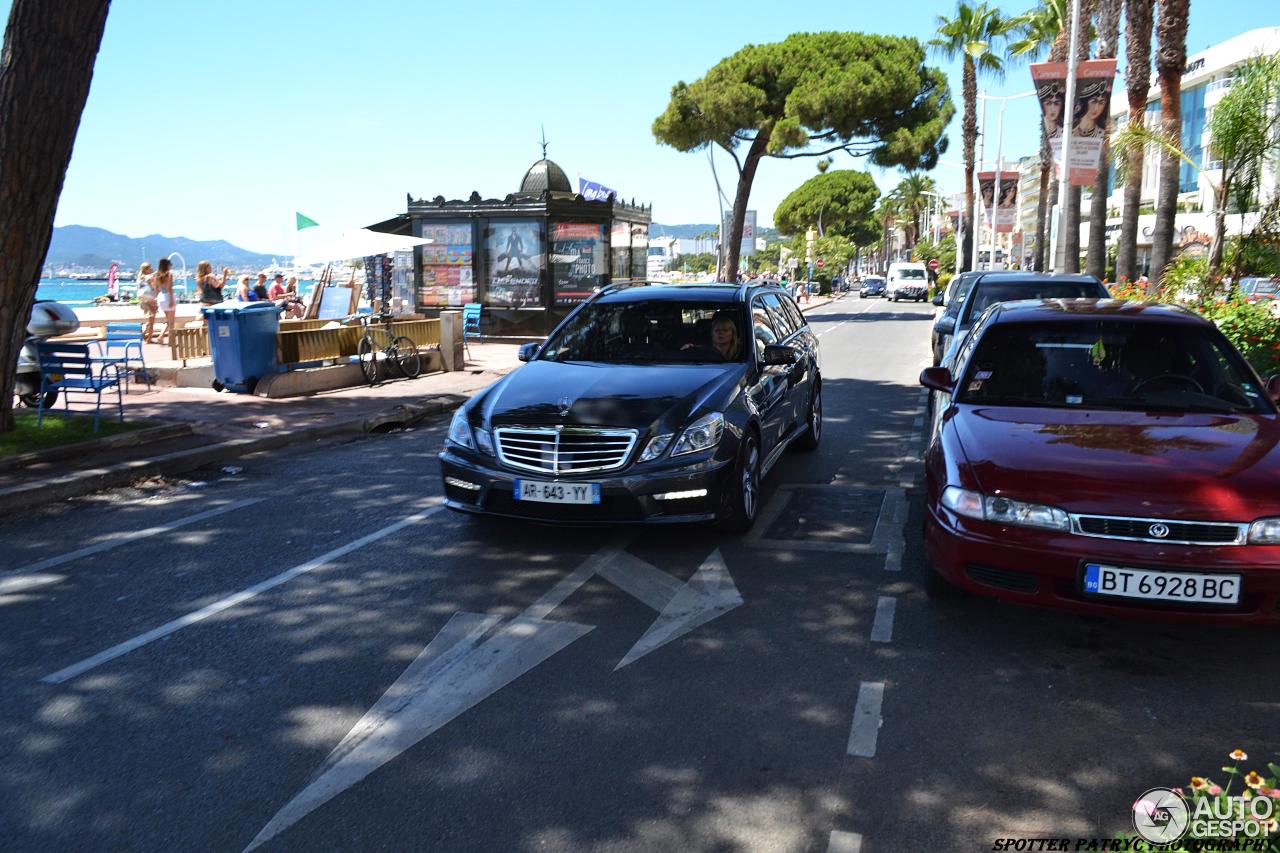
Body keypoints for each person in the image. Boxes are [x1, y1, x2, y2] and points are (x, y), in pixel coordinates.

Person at [153, 257, 177, 345]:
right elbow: (170, 288)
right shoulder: (169, 274)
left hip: (161, 297)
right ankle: (171, 341)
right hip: (168, 297)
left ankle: (161, 336)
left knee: (169, 320)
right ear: (167, 265)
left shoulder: (157, 275)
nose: (171, 266)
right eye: (170, 265)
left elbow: (155, 289)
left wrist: (156, 300)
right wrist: (171, 300)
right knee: (172, 322)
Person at [136, 262, 158, 341]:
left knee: (150, 319)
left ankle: (143, 334)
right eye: (149, 268)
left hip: (142, 299)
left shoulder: (139, 278)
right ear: (146, 269)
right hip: (150, 299)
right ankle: (149, 338)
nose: (151, 269)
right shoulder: (148, 277)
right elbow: (153, 288)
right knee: (152, 319)